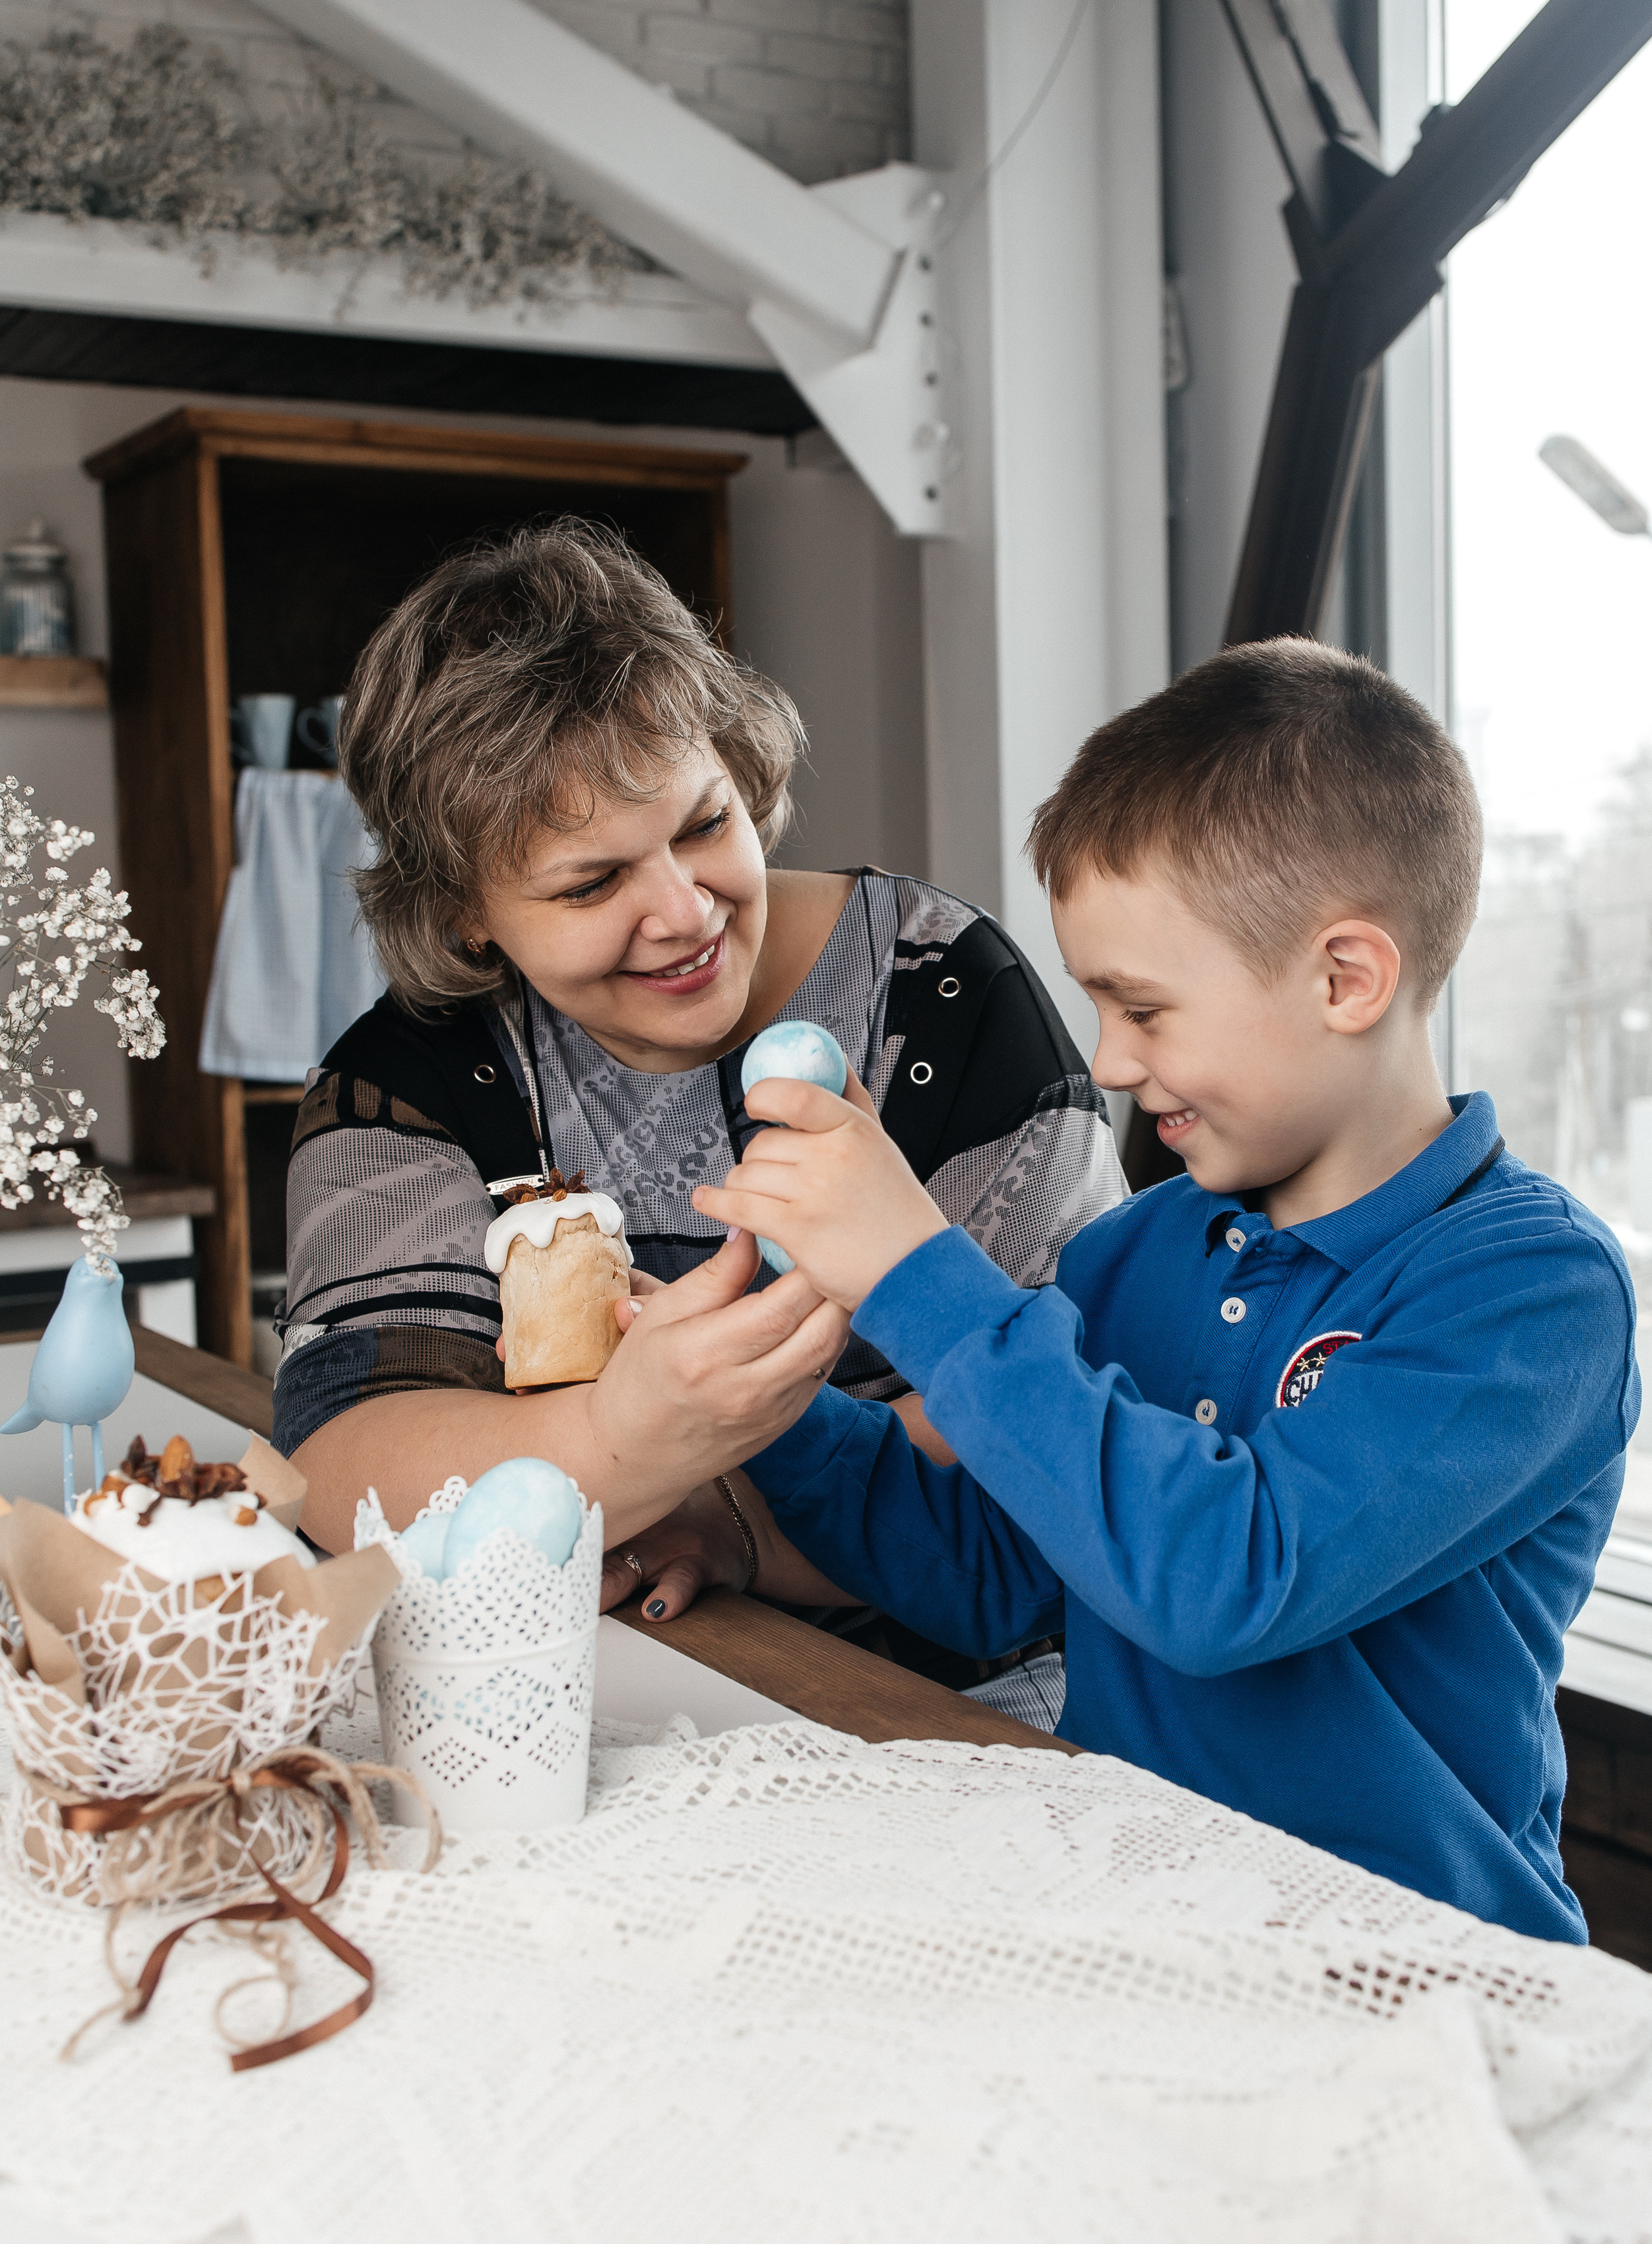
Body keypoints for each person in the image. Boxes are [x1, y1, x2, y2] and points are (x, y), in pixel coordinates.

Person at [616, 639, 1636, 1943]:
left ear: (1345, 979)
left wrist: (919, 1273)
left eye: (1140, 1009)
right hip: (1136, 1926)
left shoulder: (1529, 1293)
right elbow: (991, 1573)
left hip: (1419, 1974)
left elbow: (1227, 1584)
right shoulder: (1130, 1251)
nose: (1104, 1059)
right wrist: (778, 1390)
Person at [275, 520, 1122, 1709]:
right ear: (466, 910)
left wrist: (737, 1517)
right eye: (591, 881)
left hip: (969, 1689)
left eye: (702, 825)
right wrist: (627, 1440)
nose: (685, 911)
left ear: (741, 764)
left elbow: (1084, 1412)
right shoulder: (410, 1077)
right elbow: (341, 1463)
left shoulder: (941, 993)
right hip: (607, 1683)